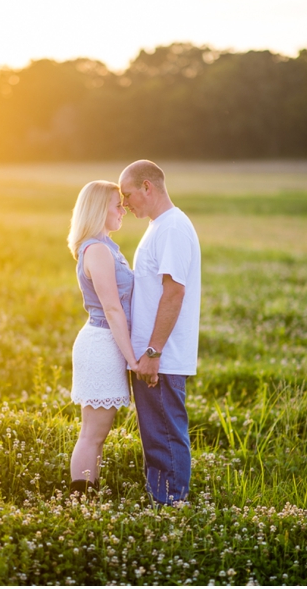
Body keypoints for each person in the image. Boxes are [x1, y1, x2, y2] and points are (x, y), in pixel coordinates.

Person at [119, 159, 201, 505]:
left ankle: (171, 507)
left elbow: (174, 291)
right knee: (155, 436)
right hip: (150, 356)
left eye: (128, 194)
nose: (125, 203)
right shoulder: (159, 226)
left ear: (147, 187)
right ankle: (162, 502)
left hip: (160, 358)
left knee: (165, 436)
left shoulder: (172, 229)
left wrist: (153, 352)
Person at [66, 180, 139, 496]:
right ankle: (80, 500)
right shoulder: (96, 249)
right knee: (92, 434)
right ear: (99, 210)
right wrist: (133, 360)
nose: (123, 210)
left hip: (108, 344)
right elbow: (112, 308)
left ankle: (89, 497)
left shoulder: (105, 246)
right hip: (101, 344)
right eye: (116, 205)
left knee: (99, 433)